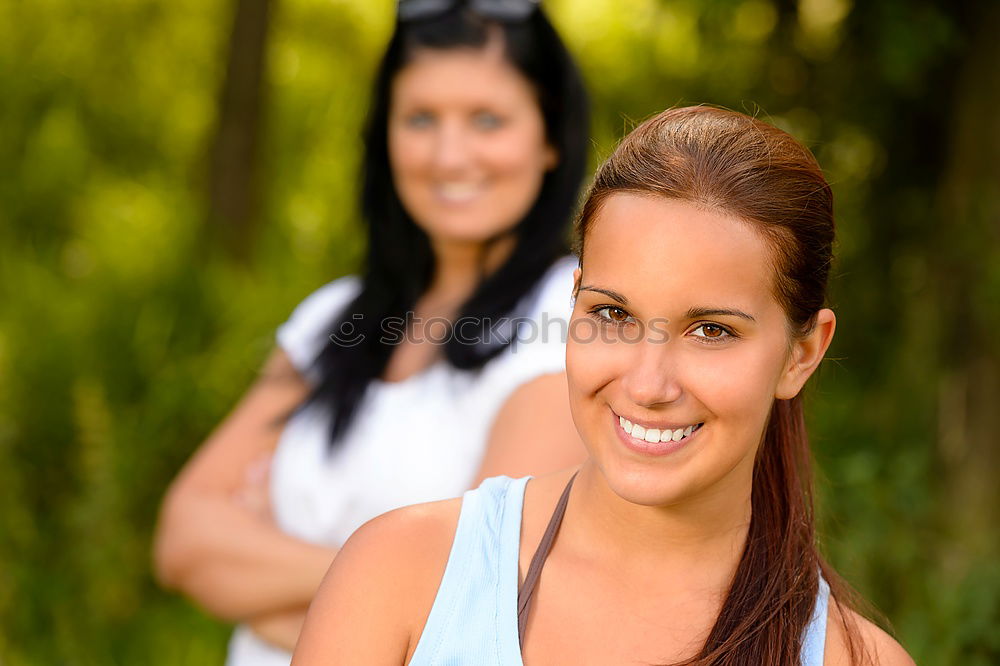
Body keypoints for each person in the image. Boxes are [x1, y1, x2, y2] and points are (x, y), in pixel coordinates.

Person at [291, 106, 917, 665]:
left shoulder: (854, 658)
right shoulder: (399, 574)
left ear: (801, 354)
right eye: (613, 315)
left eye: (711, 331)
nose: (648, 384)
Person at [153, 2, 590, 664]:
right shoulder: (334, 318)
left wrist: (261, 566)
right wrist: (393, 593)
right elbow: (183, 538)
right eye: (420, 119)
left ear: (550, 136)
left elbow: (482, 606)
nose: (449, 155)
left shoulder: (574, 315)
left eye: (487, 120)